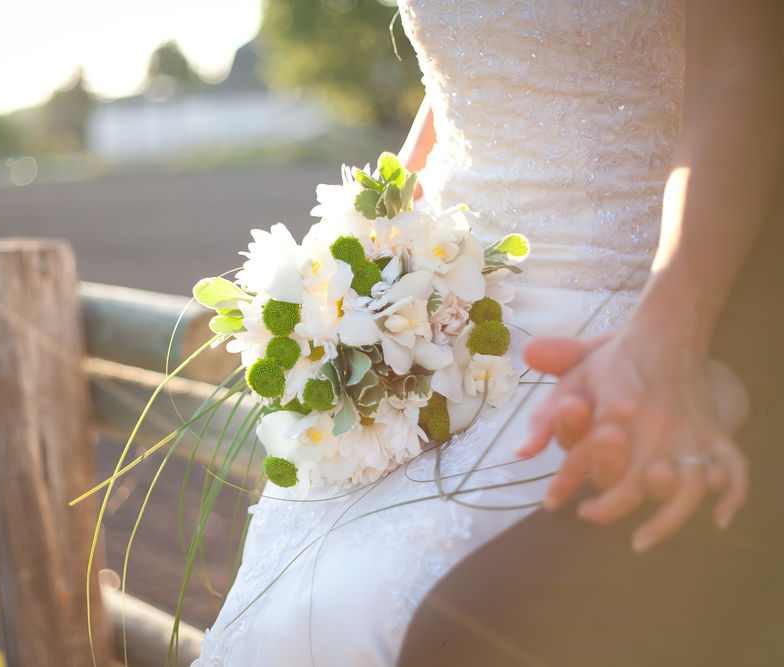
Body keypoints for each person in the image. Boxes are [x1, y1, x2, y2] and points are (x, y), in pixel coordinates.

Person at [193, 1, 782, 665]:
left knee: (373, 599)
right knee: (290, 593)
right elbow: (457, 86)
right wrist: (369, 250)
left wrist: (668, 333)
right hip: (435, 295)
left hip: (606, 318)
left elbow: (736, 72)